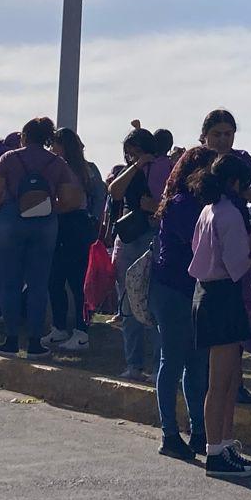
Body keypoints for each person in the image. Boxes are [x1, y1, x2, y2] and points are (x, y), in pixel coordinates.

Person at [190, 153, 251, 478]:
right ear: (235, 182)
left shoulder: (211, 209)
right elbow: (237, 265)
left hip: (210, 294)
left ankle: (226, 444)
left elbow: (229, 250)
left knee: (229, 380)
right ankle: (215, 452)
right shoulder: (229, 213)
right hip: (222, 296)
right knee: (219, 382)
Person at [0, 116, 83, 357]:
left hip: (11, 219)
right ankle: (35, 342)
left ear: (24, 136)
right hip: (45, 224)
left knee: (10, 282)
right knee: (39, 284)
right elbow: (71, 198)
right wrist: (47, 207)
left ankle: (11, 339)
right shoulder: (56, 163)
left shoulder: (9, 158)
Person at [149, 145, 216, 460]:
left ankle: (199, 431)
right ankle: (169, 433)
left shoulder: (199, 204)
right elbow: (201, 245)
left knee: (196, 363)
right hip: (174, 289)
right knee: (173, 360)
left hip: (193, 290)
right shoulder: (181, 204)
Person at [107, 127, 162, 381]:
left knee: (153, 303)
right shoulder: (126, 171)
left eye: (138, 153)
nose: (132, 157)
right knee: (128, 302)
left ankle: (157, 366)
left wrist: (156, 207)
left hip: (153, 235)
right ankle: (134, 364)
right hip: (129, 238)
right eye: (129, 154)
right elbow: (115, 191)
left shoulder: (164, 168)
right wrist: (135, 166)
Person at [45, 125, 104, 351]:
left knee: (79, 281)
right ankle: (59, 328)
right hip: (60, 223)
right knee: (55, 278)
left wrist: (93, 219)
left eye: (55, 144)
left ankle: (81, 332)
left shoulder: (86, 169)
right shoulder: (56, 167)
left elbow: (100, 195)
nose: (52, 148)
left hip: (76, 223)